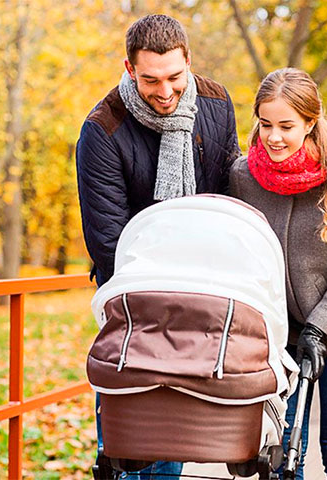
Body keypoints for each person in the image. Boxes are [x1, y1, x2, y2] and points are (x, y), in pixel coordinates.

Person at [75, 14, 240, 480]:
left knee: (176, 430)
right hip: (134, 292)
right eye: (150, 80)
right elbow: (108, 241)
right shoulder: (102, 130)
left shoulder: (215, 100)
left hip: (202, 288)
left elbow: (226, 193)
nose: (165, 92)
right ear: (129, 69)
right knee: (133, 439)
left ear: (188, 60)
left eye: (174, 77)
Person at [230, 68, 327, 480]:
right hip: (280, 338)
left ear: (310, 123)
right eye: (265, 125)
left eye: (286, 126)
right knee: (282, 455)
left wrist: (319, 330)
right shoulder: (243, 177)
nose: (274, 137)